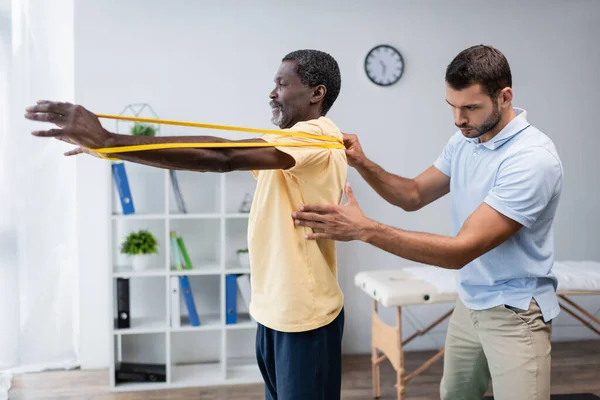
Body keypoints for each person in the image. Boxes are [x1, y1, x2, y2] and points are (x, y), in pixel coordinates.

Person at [25, 49, 347, 400]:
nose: (272, 93)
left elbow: (224, 157)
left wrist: (111, 142)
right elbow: (221, 154)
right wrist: (110, 149)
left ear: (317, 93)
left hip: (304, 314)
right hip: (277, 311)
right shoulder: (296, 144)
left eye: (282, 84)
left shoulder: (317, 136)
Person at [292, 45, 563, 400]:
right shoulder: (466, 139)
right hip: (471, 303)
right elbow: (414, 194)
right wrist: (363, 163)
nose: (458, 118)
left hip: (515, 311)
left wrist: (365, 229)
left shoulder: (531, 161)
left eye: (470, 107)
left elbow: (460, 252)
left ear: (505, 97)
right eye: (452, 106)